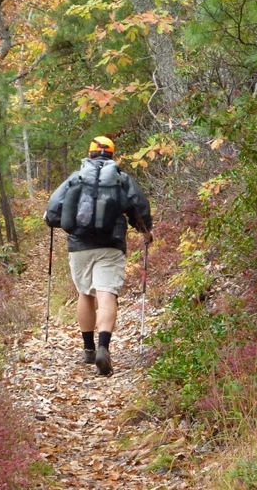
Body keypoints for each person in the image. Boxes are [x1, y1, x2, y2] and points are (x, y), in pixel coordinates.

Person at [44, 136, 153, 376]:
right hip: (111, 245)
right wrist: (145, 231)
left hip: (79, 245)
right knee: (107, 294)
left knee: (85, 293)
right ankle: (104, 347)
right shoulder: (121, 179)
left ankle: (89, 349)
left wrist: (54, 222)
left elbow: (53, 211)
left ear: (90, 154)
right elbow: (139, 206)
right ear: (112, 155)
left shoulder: (76, 177)